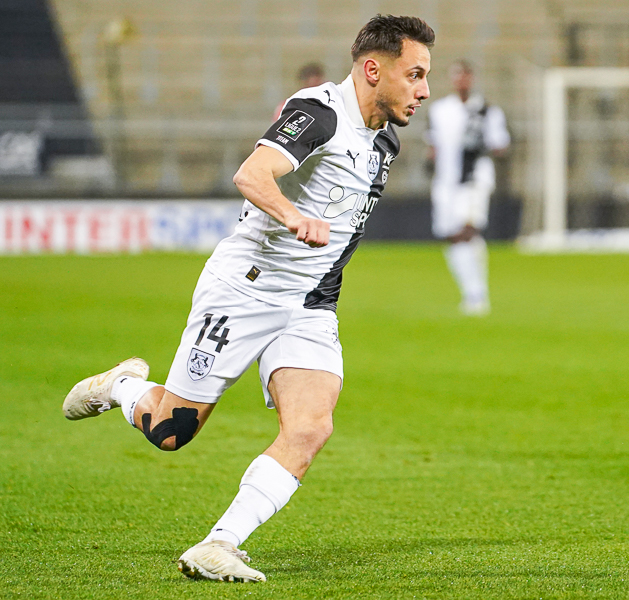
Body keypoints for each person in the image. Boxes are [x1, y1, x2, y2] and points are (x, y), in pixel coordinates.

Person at [61, 15, 433, 584]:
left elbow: (346, 227)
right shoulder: (320, 113)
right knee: (171, 432)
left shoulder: (385, 141)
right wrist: (293, 216)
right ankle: (122, 386)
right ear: (373, 68)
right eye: (414, 75)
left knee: (311, 427)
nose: (423, 90)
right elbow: (252, 175)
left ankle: (218, 544)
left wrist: (321, 286)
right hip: (245, 290)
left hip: (308, 305)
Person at [425, 60, 509, 315]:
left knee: (467, 231)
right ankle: (472, 293)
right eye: (457, 75)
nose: (461, 80)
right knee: (452, 237)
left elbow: (501, 145)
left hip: (474, 179)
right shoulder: (440, 110)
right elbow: (433, 146)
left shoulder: (486, 111)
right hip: (445, 182)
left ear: (472, 78)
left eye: (466, 75)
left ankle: (477, 295)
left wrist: (480, 144)